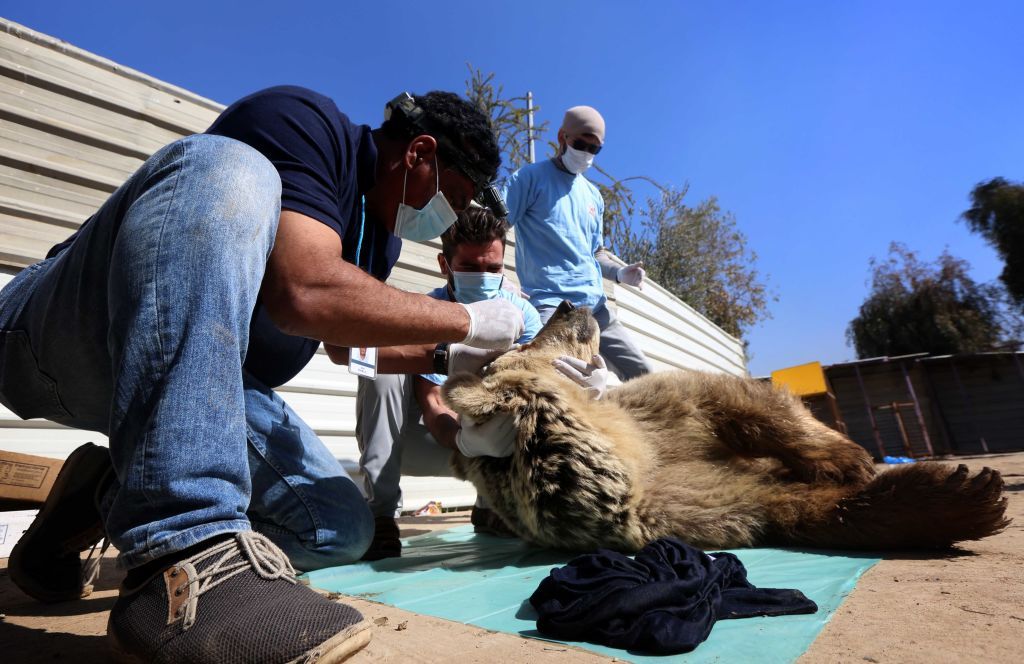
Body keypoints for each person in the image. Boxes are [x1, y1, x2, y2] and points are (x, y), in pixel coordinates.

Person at [0, 85, 525, 663]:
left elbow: (344, 348)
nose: (446, 216)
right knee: (225, 167)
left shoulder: (378, 237)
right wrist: (466, 320)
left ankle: (103, 493)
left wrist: (451, 358)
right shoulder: (305, 125)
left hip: (198, 393)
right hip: (58, 340)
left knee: (340, 529)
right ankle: (180, 552)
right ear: (420, 155)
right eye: (452, 196)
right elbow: (301, 290)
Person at [349, 206, 543, 559]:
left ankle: (492, 505)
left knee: (529, 390)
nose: (483, 276)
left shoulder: (522, 314)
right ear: (445, 265)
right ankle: (380, 516)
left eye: (493, 268)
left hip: (494, 449)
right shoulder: (426, 312)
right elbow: (434, 404)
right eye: (470, 267)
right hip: (428, 441)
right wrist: (466, 441)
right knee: (379, 366)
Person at [503, 105, 655, 379]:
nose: (586, 153)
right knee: (551, 380)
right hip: (552, 306)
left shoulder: (594, 196)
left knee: (644, 375)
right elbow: (493, 227)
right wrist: (498, 276)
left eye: (594, 148)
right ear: (562, 137)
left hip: (597, 309)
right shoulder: (529, 178)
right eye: (581, 143)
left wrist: (620, 273)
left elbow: (596, 252)